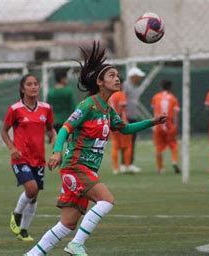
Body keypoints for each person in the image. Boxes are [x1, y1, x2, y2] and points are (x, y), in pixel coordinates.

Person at [24, 41, 166, 256]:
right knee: (106, 199)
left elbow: (125, 129)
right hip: (76, 166)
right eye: (111, 76)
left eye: (118, 75)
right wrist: (56, 151)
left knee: (67, 224)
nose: (117, 78)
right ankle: (77, 244)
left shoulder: (107, 110)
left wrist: (152, 122)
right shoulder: (88, 105)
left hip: (84, 169)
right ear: (99, 81)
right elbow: (65, 128)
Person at [2, 74, 56, 241]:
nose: (33, 87)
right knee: (31, 189)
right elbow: (4, 131)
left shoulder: (46, 108)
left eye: (36, 84)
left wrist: (55, 141)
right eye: (29, 84)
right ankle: (16, 214)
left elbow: (50, 129)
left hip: (39, 158)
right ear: (22, 88)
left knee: (34, 196)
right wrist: (12, 148)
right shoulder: (15, 109)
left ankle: (23, 230)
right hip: (21, 158)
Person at [151, 80, 180, 174]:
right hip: (169, 124)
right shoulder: (173, 98)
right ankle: (174, 161)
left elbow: (154, 110)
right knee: (173, 144)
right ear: (170, 87)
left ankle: (160, 168)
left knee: (158, 147)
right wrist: (175, 125)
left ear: (161, 87)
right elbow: (175, 114)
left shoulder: (156, 97)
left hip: (158, 124)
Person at [123, 66, 146, 173]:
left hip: (132, 117)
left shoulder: (135, 87)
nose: (140, 79)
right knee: (127, 142)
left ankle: (128, 163)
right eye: (138, 76)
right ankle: (126, 164)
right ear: (133, 76)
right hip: (127, 117)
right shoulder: (126, 86)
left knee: (131, 141)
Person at [108, 86, 133, 174]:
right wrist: (118, 120)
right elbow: (122, 108)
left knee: (115, 146)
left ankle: (115, 168)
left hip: (111, 124)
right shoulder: (120, 94)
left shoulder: (109, 95)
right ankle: (126, 166)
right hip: (122, 123)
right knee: (128, 146)